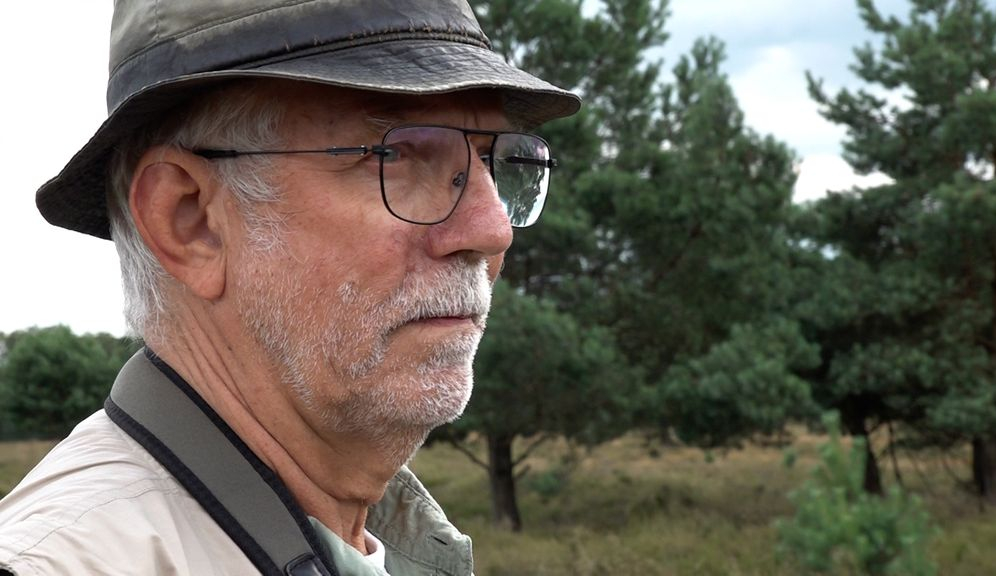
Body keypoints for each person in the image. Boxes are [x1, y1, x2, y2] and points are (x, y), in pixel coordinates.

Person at [0, 1, 579, 574]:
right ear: (190, 221)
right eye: (398, 155)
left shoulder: (367, 537)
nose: (492, 228)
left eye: (487, 159)